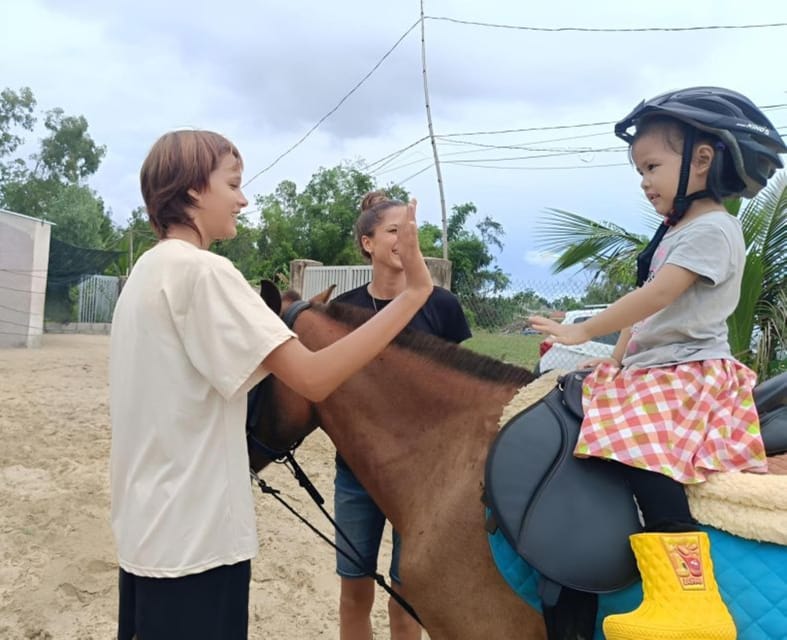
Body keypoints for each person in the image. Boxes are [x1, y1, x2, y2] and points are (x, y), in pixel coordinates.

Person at [108, 131, 434, 640]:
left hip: (147, 533)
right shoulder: (204, 273)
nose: (243, 199)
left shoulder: (145, 273)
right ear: (194, 190)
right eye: (233, 184)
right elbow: (314, 377)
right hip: (197, 543)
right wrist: (414, 295)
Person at [529, 87, 786, 640]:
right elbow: (641, 323)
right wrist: (613, 360)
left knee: (643, 455)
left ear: (702, 158)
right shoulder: (678, 231)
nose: (645, 180)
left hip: (688, 373)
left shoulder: (715, 229)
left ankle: (689, 598)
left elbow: (654, 298)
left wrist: (581, 328)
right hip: (654, 367)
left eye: (652, 166)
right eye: (639, 170)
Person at [331, 190, 471, 640]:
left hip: (422, 477)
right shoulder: (343, 311)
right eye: (394, 230)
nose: (405, 239)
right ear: (367, 243)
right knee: (355, 593)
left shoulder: (442, 306)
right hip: (357, 473)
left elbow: (460, 389)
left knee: (407, 598)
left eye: (411, 231)